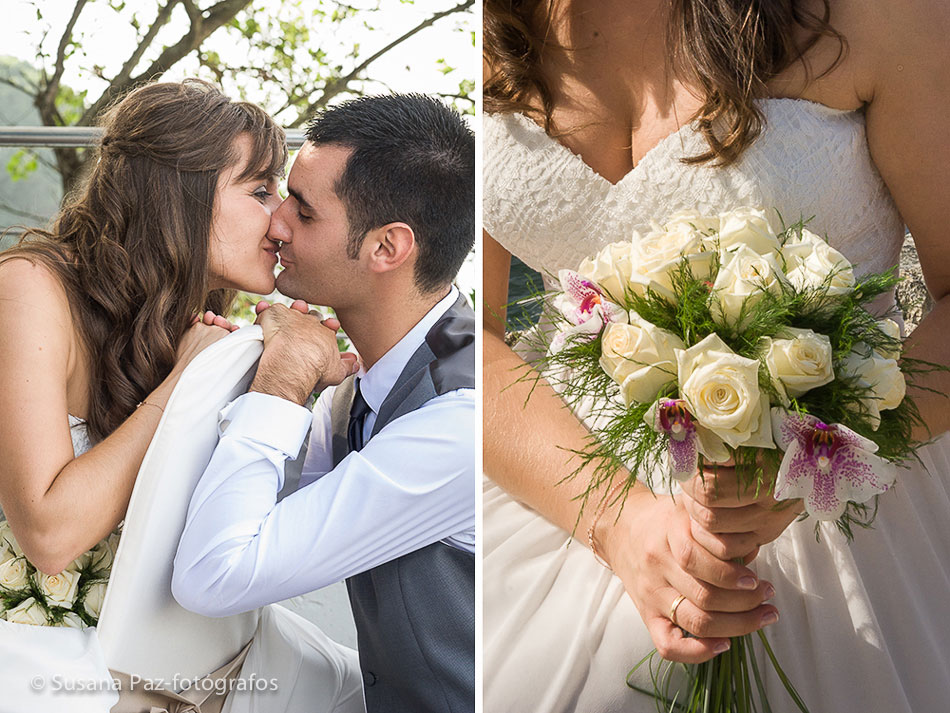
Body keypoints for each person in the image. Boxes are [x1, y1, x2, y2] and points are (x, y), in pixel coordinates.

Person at [482, 1, 950, 711]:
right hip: (565, 485)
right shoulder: (478, 43)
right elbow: (462, 338)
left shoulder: (876, 15)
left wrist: (826, 457)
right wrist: (620, 522)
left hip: (841, 487)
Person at [0, 79, 359, 713]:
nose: (281, 219)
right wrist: (179, 388)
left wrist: (292, 384)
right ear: (178, 196)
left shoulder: (194, 320)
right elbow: (50, 535)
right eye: (259, 191)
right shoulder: (28, 288)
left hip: (180, 644)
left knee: (357, 683)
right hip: (52, 653)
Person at [172, 93, 476, 713]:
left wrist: (281, 386)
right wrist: (228, 378)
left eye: (304, 213)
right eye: (280, 196)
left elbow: (213, 575)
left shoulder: (458, 420)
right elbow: (263, 495)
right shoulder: (375, 372)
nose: (275, 223)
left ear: (387, 248)